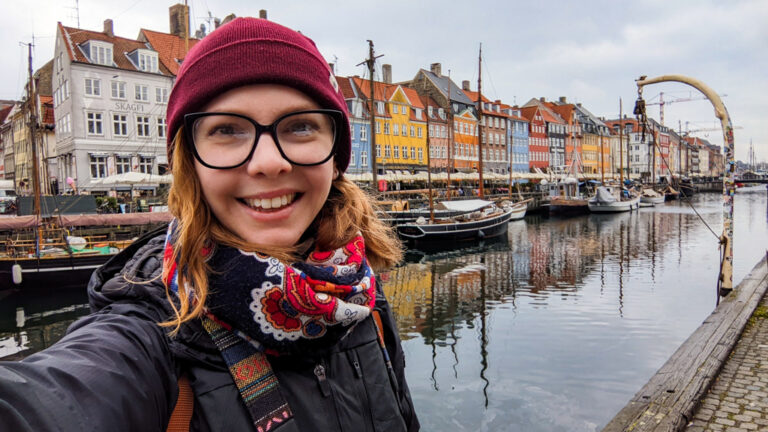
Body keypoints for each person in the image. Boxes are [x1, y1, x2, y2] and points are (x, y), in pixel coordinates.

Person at [0, 18, 419, 432]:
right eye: (227, 130)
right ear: (190, 162)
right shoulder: (151, 334)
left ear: (334, 152)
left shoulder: (359, 293)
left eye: (301, 126)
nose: (269, 162)